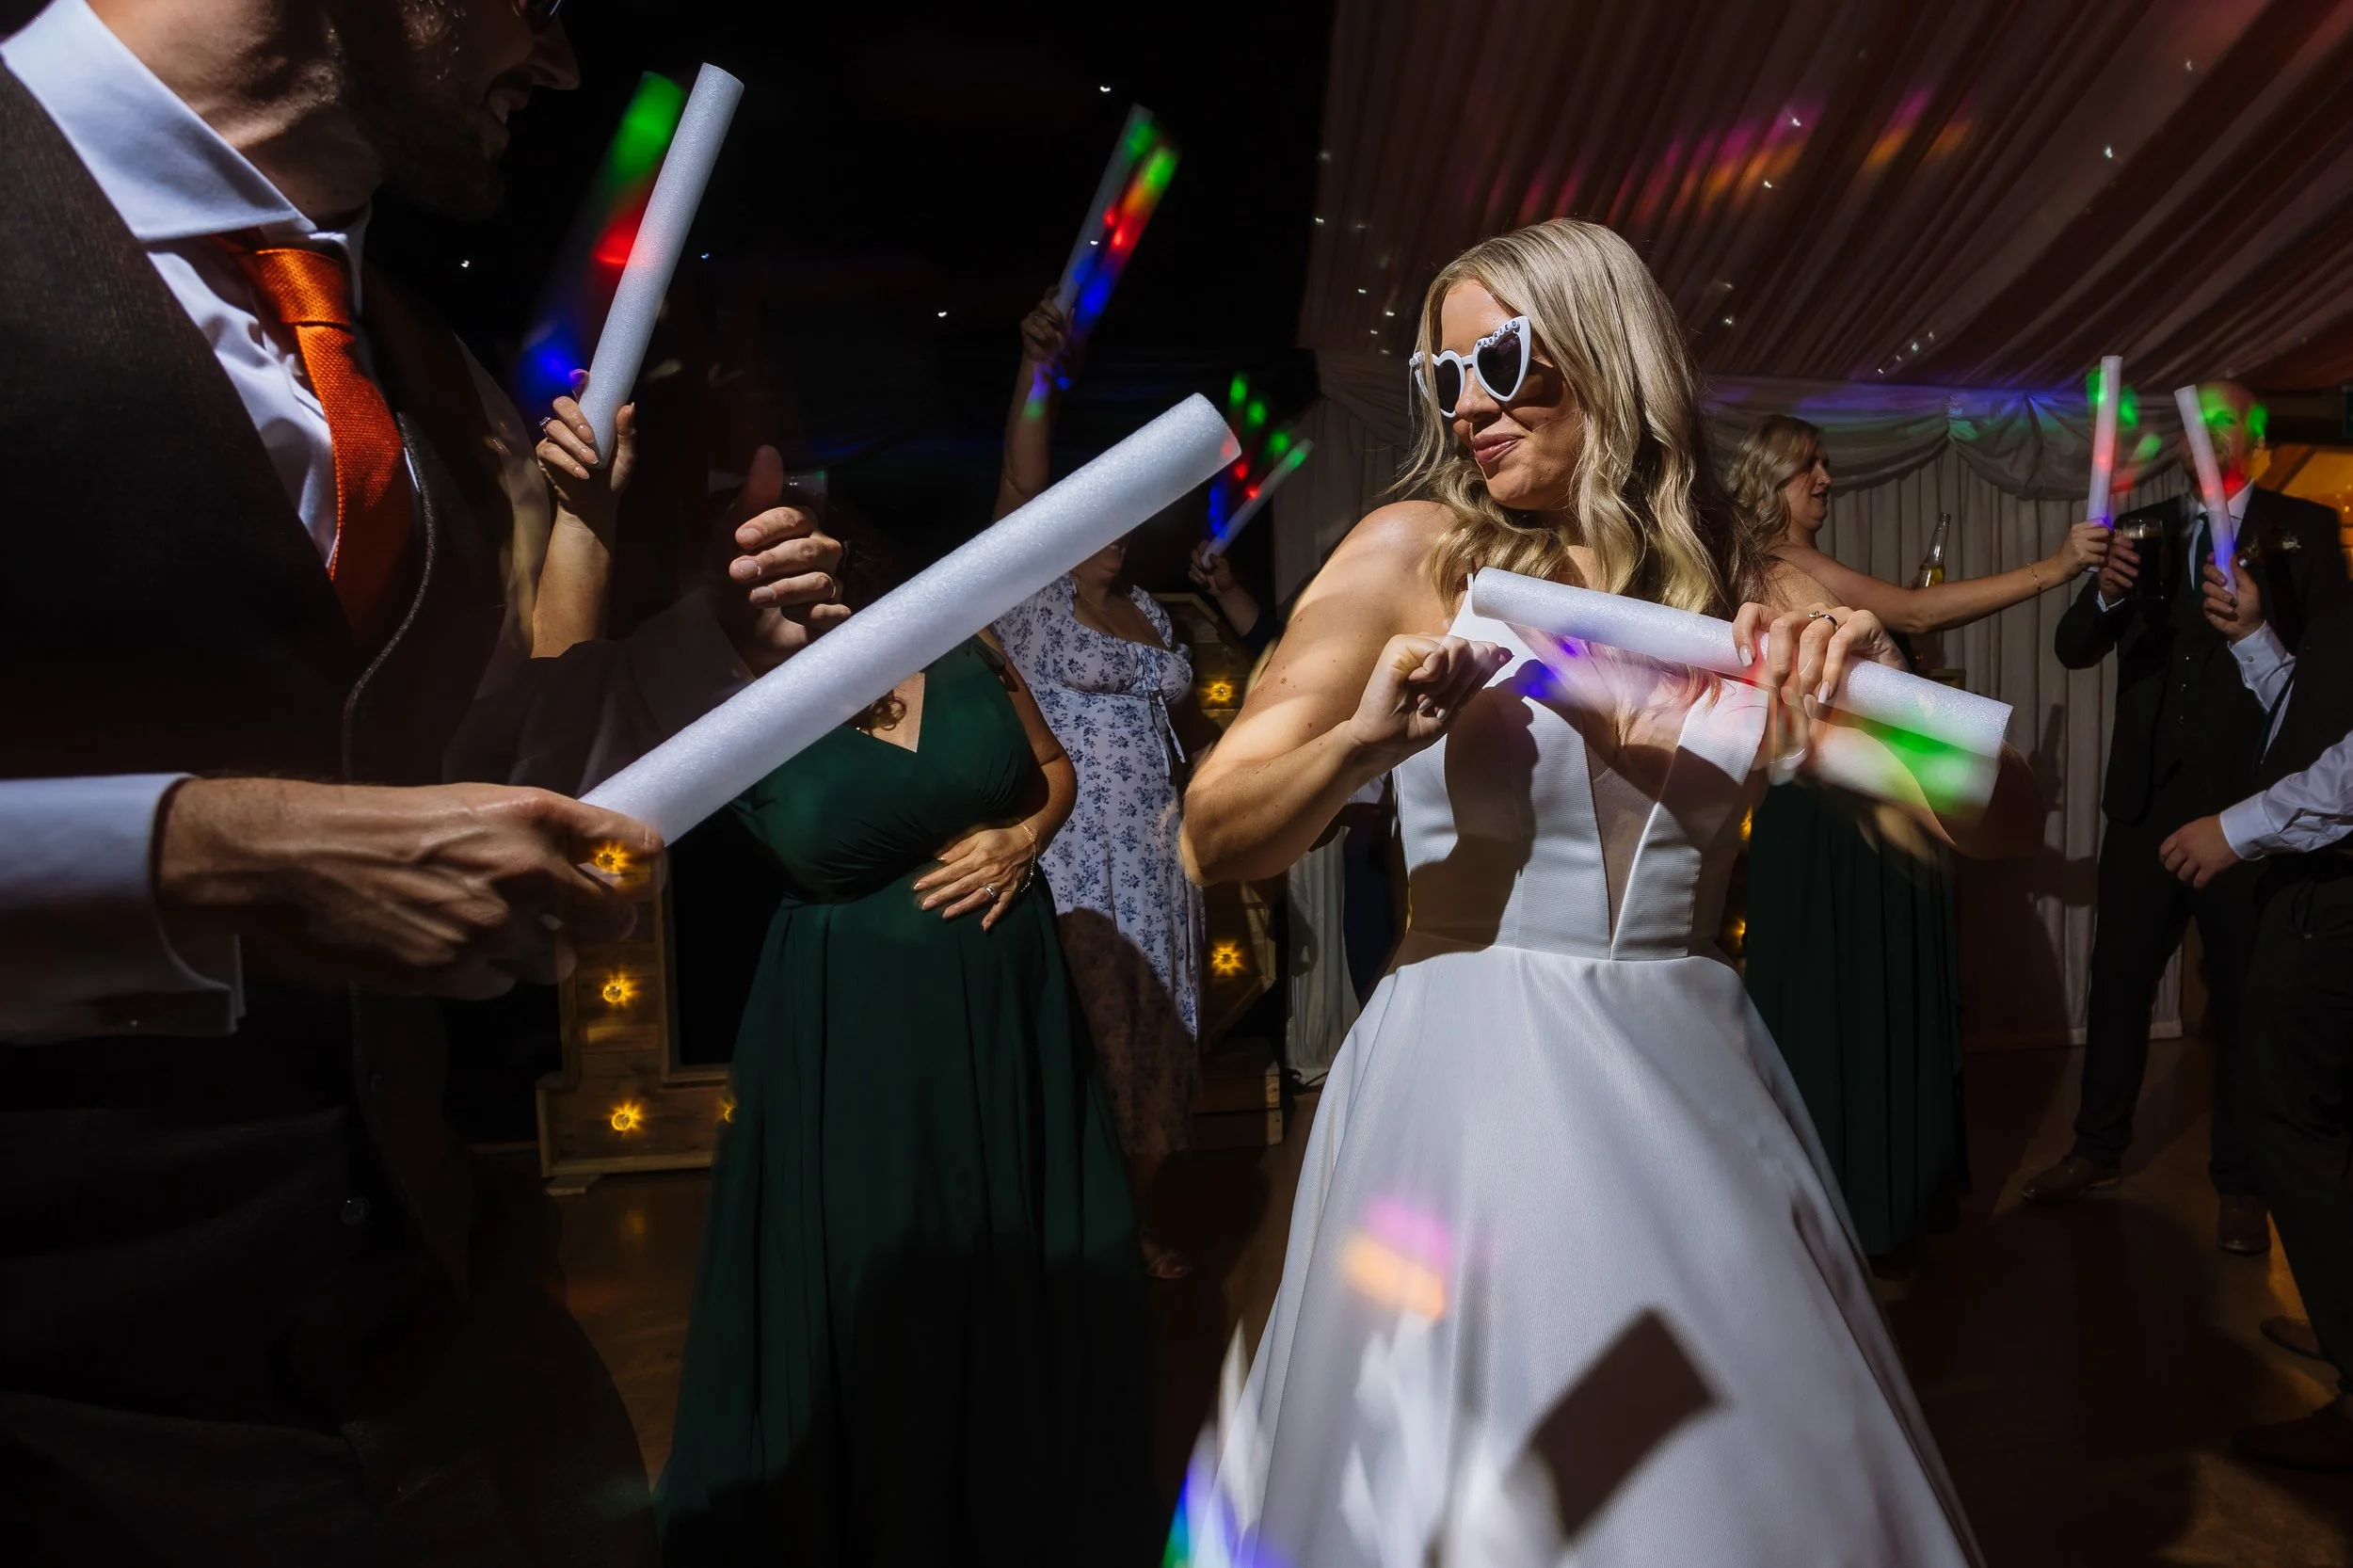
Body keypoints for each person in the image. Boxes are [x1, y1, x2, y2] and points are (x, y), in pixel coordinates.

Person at [0, 3, 843, 1560]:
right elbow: (300, 847)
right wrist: (196, 857)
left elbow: (459, 779)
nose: (564, 61)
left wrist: (708, 653)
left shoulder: (414, 365)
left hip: (411, 1361)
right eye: (542, 4)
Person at [1177, 218, 2042, 1563]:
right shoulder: (1416, 554)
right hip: (1465, 1085)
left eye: (1498, 362)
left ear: (1604, 350)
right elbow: (1213, 831)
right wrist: (1362, 743)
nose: (1466, 406)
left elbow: (2000, 820)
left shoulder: (1747, 593)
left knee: (1722, 1485)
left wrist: (1879, 682)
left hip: (1691, 1084)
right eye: (1443, 377)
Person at [529, 422, 1158, 1562]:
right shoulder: (726, 705)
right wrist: (585, 527)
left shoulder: (955, 631)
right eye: (749, 542)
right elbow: (556, 743)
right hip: (856, 1029)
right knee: (882, 1280)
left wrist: (1022, 837)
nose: (781, 551)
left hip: (1009, 1005)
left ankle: (1015, 1490)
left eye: (797, 529)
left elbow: (1052, 770)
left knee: (1018, 1261)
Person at [1728, 416, 2106, 1270]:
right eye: (1806, 467)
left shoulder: (1776, 567)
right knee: (1852, 1007)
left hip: (1841, 804)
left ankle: (1860, 1206)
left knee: (1847, 1009)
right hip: (1845, 812)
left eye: (1827, 464)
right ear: (1767, 477)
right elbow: (1921, 609)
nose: (1825, 480)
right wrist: (2057, 566)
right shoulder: (1780, 561)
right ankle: (1867, 1209)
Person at [2025, 382, 2343, 1258]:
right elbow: (2073, 647)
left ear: (2259, 440)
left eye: (2227, 419)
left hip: (2246, 809)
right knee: (2118, 981)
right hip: (2144, 803)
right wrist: (2106, 594)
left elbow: (2322, 671)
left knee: (2241, 996)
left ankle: (2240, 1182)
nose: (2209, 431)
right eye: (2198, 419)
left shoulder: (2303, 528)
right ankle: (2097, 1147)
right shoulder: (2142, 527)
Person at [991, 296, 1206, 1280]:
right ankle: (1069, 1235)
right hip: (1076, 858)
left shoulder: (1152, 612)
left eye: (1127, 520)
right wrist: (1036, 374)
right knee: (1092, 1044)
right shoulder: (1035, 601)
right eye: (1095, 518)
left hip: (1161, 858)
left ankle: (1127, 1225)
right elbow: (1017, 482)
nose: (1114, 536)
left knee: (1163, 1037)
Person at [2162, 548, 2353, 1467]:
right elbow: (2316, 722)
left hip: (2334, 899)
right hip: (2315, 891)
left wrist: (2236, 830)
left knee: (2287, 1121)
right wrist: (2254, 643)